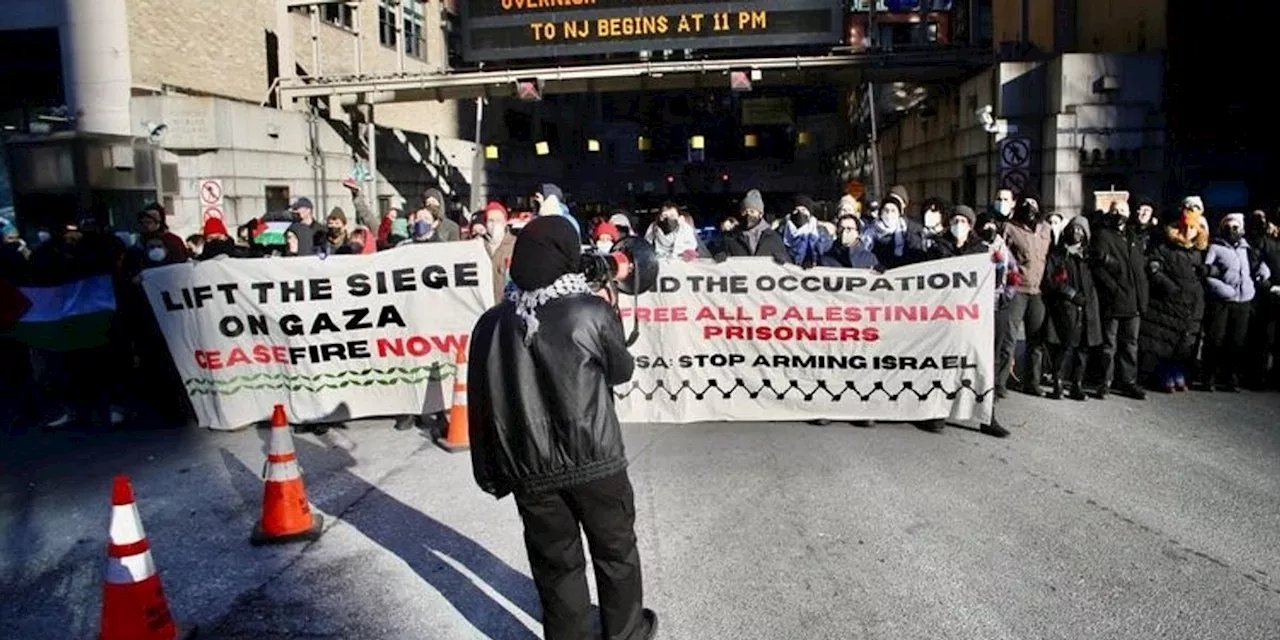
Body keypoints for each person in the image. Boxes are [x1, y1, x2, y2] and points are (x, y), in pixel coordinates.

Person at [468, 216, 658, 640]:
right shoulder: (589, 311)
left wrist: (491, 471)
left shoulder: (490, 325)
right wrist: (609, 306)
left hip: (529, 468)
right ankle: (625, 633)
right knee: (616, 552)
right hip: (595, 459)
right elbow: (621, 371)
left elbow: (481, 403)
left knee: (556, 563)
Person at [1201, 212, 1271, 391]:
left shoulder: (1245, 249)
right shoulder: (1215, 248)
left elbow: (1255, 265)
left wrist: (1262, 271)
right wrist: (1222, 289)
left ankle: (1231, 377)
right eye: (1229, 227)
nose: (1232, 230)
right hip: (1223, 299)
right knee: (1216, 338)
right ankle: (1209, 377)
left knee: (1237, 340)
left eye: (1236, 227)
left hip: (1243, 299)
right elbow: (1206, 273)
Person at [1140, 207, 1208, 393]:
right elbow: (1154, 268)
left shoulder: (1197, 252)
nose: (1188, 232)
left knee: (1183, 344)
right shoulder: (1164, 246)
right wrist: (1169, 287)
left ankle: (1178, 374)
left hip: (1191, 304)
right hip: (1168, 302)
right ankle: (1163, 376)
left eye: (1192, 228)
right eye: (1185, 227)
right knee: (1164, 342)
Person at [1090, 200, 1150, 400]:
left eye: (1123, 210)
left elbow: (1138, 268)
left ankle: (1128, 382)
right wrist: (1113, 289)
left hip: (1134, 300)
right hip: (1113, 299)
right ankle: (1104, 381)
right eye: (1115, 210)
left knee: (1131, 344)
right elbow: (1098, 267)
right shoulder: (1103, 235)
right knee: (1109, 344)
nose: (1119, 214)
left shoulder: (1133, 236)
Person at [1041, 215, 1101, 400]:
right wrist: (1070, 294)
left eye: (1081, 230)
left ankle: (1077, 385)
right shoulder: (1059, 255)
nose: (1077, 233)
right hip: (1066, 307)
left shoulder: (1089, 256)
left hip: (1088, 307)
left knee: (1084, 347)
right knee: (1066, 346)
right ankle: (1058, 384)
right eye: (1074, 229)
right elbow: (1051, 280)